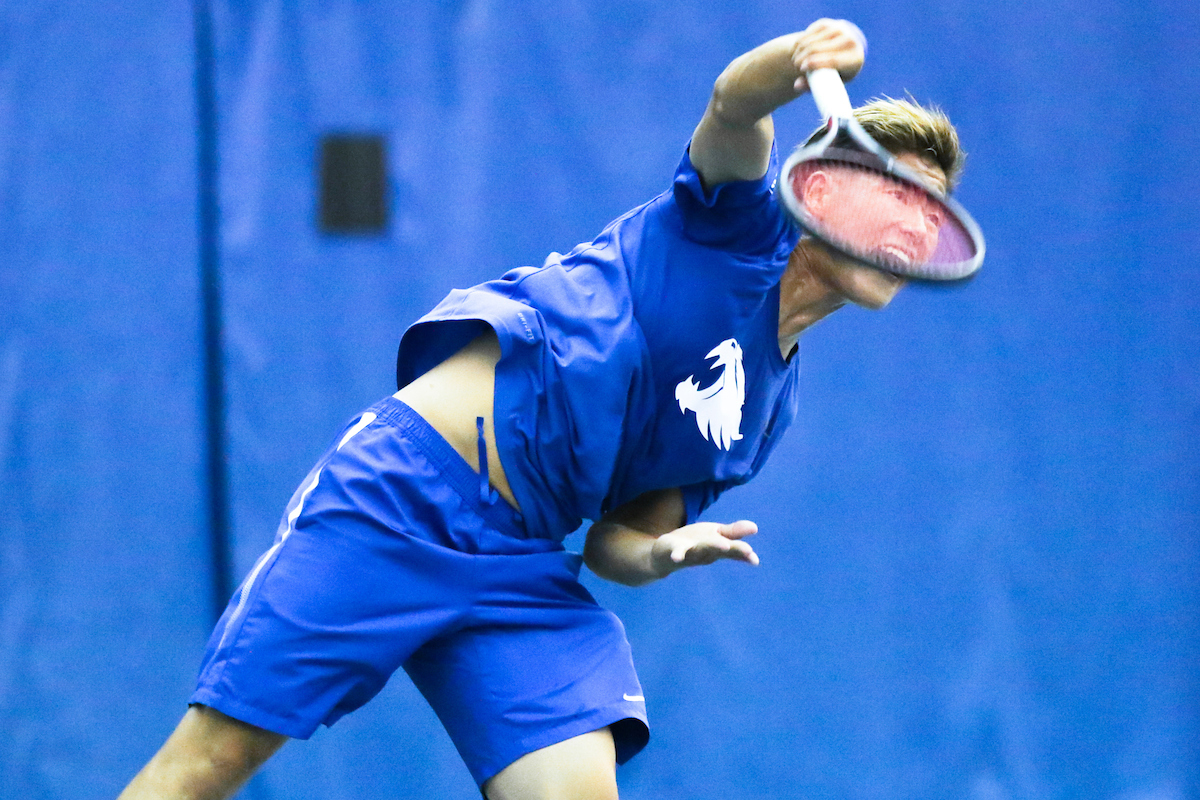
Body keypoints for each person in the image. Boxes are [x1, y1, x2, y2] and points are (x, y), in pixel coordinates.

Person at [119, 17, 966, 800]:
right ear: (820, 186)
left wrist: (665, 551)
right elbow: (733, 107)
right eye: (901, 192)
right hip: (402, 495)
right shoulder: (736, 225)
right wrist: (797, 60)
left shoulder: (764, 415)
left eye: (932, 212)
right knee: (207, 766)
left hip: (518, 566)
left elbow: (614, 542)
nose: (917, 226)